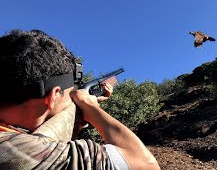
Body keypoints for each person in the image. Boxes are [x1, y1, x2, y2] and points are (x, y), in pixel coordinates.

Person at [0, 29, 160, 170]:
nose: (71, 102)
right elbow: (145, 165)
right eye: (70, 97)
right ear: (53, 96)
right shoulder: (16, 150)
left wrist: (78, 117)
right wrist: (90, 107)